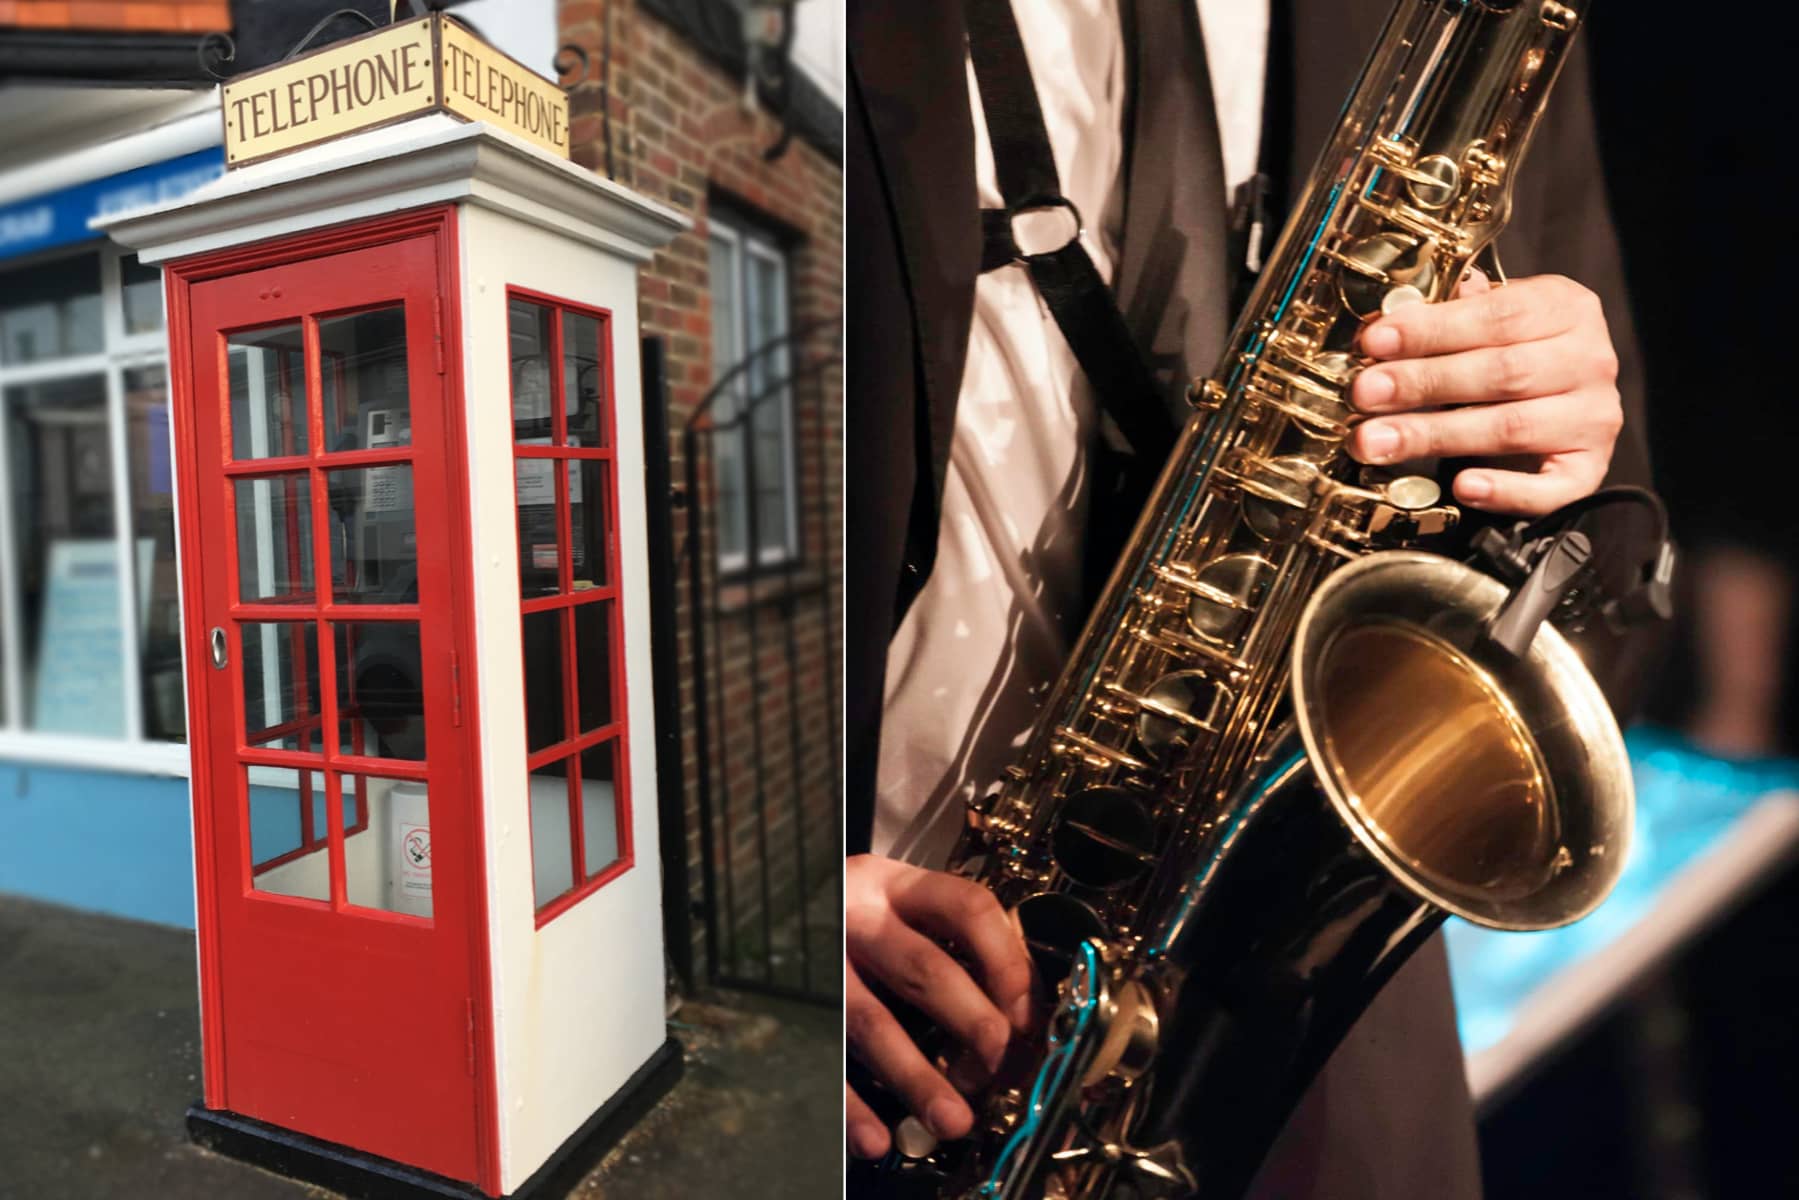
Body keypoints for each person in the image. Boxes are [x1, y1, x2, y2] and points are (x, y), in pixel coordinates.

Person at [846, 1, 1655, 1195]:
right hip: (874, 1056)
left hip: (1310, 1100)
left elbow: (1618, 562)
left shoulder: (1471, 27)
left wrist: (1544, 451)